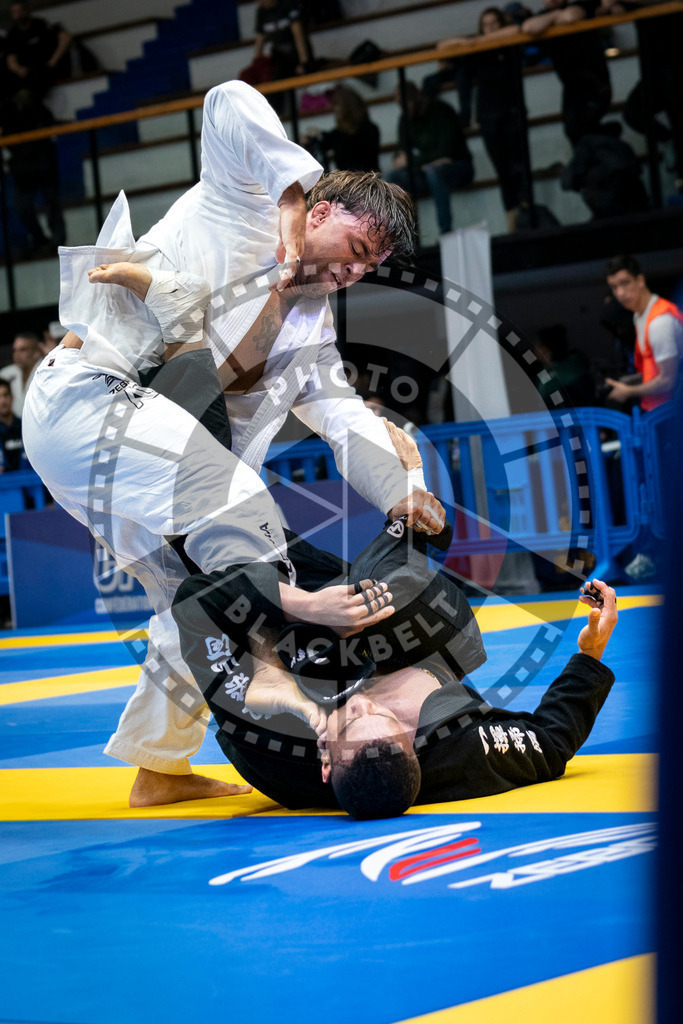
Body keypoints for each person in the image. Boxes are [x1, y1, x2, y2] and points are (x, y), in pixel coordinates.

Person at [22, 80, 445, 808]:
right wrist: (285, 189)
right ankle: (272, 668)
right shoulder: (239, 199)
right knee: (241, 505)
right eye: (354, 249)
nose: (351, 272)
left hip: (141, 446)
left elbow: (341, 416)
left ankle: (159, 768)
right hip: (90, 403)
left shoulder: (312, 327)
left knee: (195, 605)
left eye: (367, 268)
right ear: (318, 209)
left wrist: (398, 491)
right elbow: (225, 98)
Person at [172, 475, 618, 818]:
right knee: (372, 591)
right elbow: (552, 742)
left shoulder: (272, 746)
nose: (364, 707)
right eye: (386, 719)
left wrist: (303, 610)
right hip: (414, 636)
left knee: (206, 530)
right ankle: (414, 517)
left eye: (348, 726)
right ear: (415, 751)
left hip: (292, 645)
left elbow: (197, 599)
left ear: (326, 764)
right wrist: (590, 654)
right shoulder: (464, 754)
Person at [433, 7, 529, 232]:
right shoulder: (478, 49)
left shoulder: (510, 43)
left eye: (495, 23)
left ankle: (527, 214)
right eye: (486, 25)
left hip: (513, 112)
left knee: (520, 168)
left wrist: (481, 40)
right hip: (489, 117)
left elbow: (517, 28)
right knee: (503, 172)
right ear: (481, 28)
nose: (491, 28)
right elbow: (442, 47)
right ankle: (512, 223)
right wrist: (475, 42)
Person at [386, 82, 474, 236]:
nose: (404, 108)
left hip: (458, 167)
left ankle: (445, 232)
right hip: (427, 172)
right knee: (392, 177)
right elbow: (401, 154)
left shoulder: (441, 111)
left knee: (433, 171)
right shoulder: (405, 119)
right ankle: (407, 237)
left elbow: (446, 152)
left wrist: (415, 161)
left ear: (415, 99)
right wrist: (410, 161)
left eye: (405, 103)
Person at [522, 0, 611, 144]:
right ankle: (610, 137)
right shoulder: (545, 14)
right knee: (573, 131)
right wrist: (556, 15)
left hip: (595, 81)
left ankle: (611, 141)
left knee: (582, 129)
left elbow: (570, 17)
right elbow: (529, 27)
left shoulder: (580, 4)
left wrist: (551, 20)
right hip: (571, 86)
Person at [605, 254, 683, 410]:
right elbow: (654, 370)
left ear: (640, 280)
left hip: (673, 413)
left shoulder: (660, 322)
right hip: (659, 410)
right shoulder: (639, 316)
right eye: (614, 287)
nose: (620, 293)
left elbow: (668, 381)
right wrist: (629, 381)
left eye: (624, 283)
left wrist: (628, 391)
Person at [0, 91, 66, 257]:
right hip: (23, 167)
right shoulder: (6, 110)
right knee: (22, 207)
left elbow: (48, 124)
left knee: (52, 202)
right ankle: (40, 240)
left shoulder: (35, 104)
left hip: (43, 161)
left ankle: (57, 244)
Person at [302, 85, 380, 173]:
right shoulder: (338, 134)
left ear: (348, 107)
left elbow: (349, 145)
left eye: (337, 104)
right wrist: (312, 138)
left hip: (367, 179)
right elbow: (327, 142)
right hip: (347, 181)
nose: (334, 109)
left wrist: (322, 136)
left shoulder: (369, 131)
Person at [5, 1, 71, 99]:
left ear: (27, 11)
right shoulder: (13, 33)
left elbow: (65, 37)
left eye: (19, 11)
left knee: (41, 77)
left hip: (47, 66)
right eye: (14, 12)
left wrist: (54, 60)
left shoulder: (40, 24)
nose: (17, 15)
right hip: (28, 71)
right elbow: (11, 58)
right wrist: (18, 69)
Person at [0, 331, 41, 415]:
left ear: (35, 352)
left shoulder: (46, 371)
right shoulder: (6, 373)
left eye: (23, 350)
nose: (16, 355)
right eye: (15, 350)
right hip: (14, 426)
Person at [0, 379, 25, 471]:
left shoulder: (26, 427)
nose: (3, 401)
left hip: (32, 482)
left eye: (5, 395)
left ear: (11, 397)